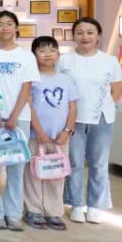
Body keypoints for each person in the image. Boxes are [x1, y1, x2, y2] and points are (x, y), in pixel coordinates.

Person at [0, 10, 40, 232]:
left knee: (17, 167)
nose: (5, 28)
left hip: (19, 118)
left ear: (16, 28)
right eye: (0, 24)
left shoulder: (26, 56)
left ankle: (14, 214)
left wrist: (14, 116)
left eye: (9, 23)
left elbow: (26, 88)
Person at [59, 16, 122, 224]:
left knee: (98, 164)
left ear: (98, 36)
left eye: (90, 32)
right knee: (75, 162)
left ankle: (95, 206)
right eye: (79, 32)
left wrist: (101, 106)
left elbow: (117, 91)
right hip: (73, 120)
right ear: (73, 36)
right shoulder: (64, 61)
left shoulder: (110, 61)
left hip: (101, 119)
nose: (85, 36)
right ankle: (76, 204)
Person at [27, 36, 78, 231]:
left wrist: (67, 131)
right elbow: (29, 107)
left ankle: (54, 212)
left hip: (60, 138)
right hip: (35, 136)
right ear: (34, 55)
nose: (47, 54)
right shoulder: (31, 79)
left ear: (58, 54)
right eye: (42, 50)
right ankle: (33, 210)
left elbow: (72, 108)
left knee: (56, 173)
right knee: (32, 173)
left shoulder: (66, 79)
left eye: (52, 50)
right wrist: (40, 132)